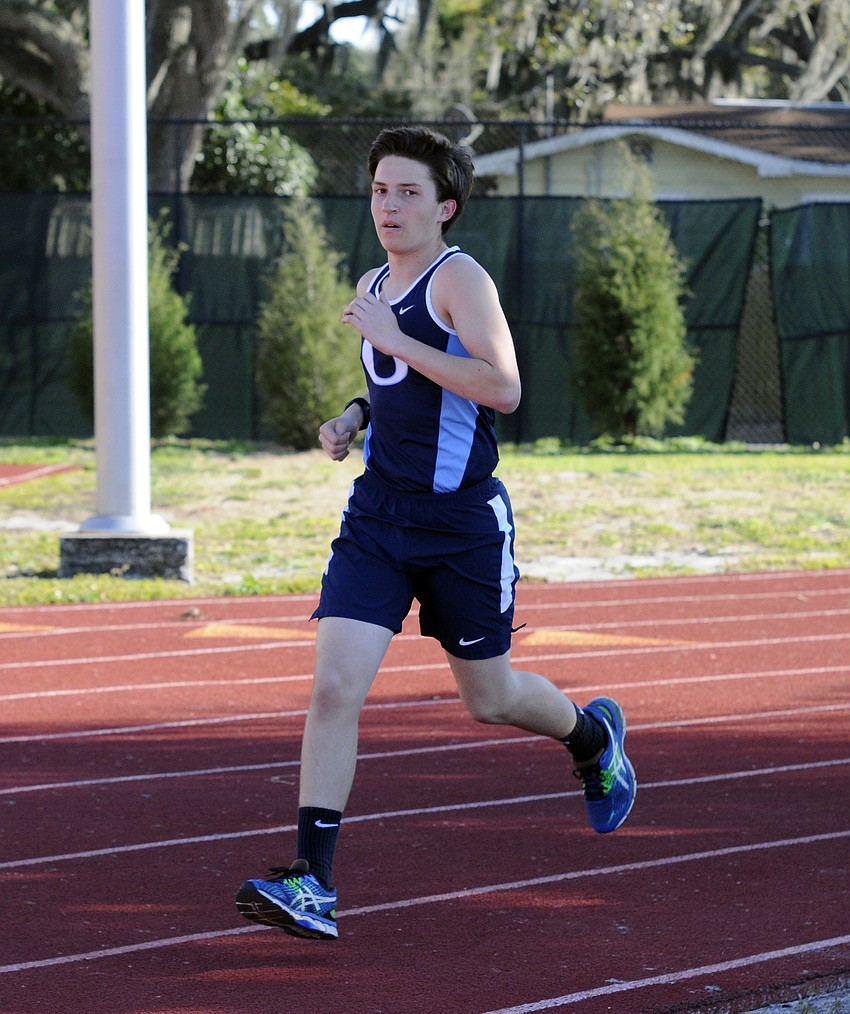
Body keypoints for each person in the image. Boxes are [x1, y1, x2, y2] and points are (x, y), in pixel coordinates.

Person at [235, 126, 636, 941]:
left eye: (408, 191)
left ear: (445, 206)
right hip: (379, 516)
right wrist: (351, 417)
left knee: (489, 699)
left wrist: (399, 340)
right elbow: (389, 386)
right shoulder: (374, 280)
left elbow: (504, 389)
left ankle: (592, 737)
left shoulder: (462, 281)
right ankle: (313, 882)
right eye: (380, 189)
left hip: (461, 527)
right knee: (332, 689)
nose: (389, 205)